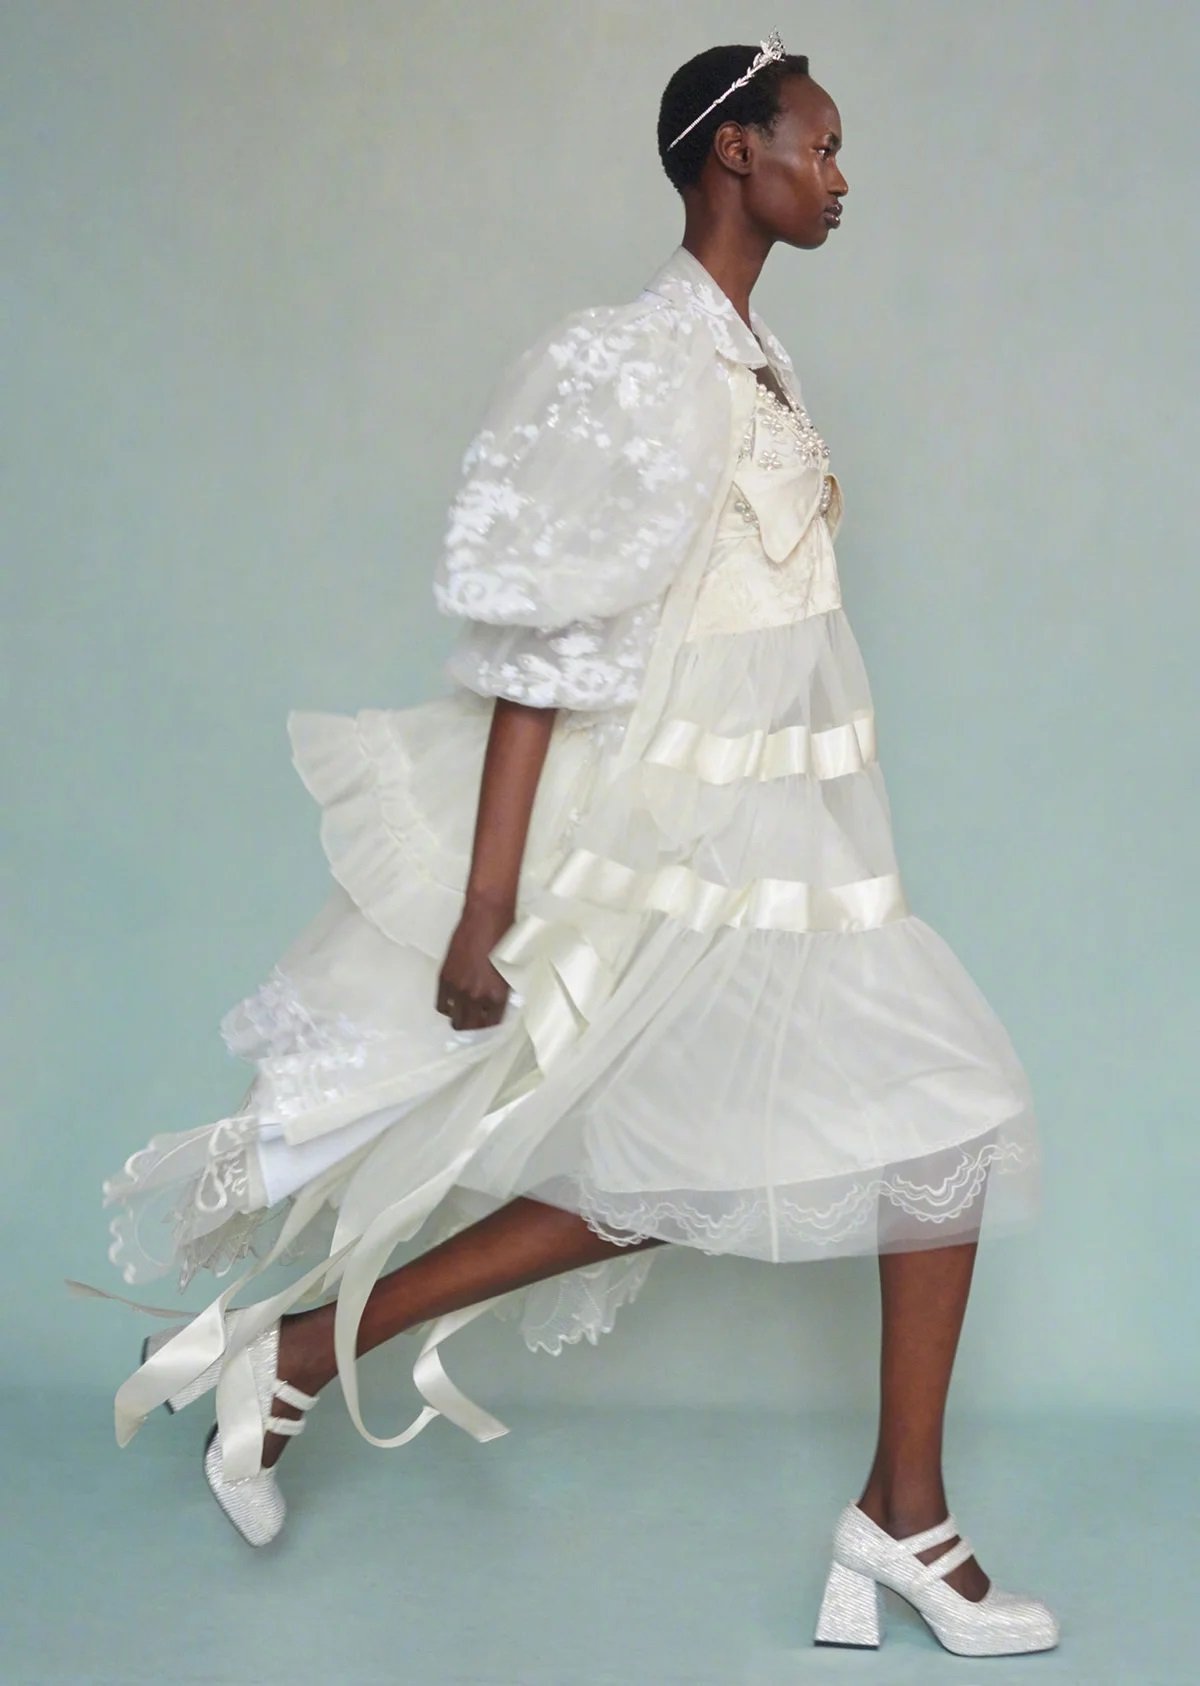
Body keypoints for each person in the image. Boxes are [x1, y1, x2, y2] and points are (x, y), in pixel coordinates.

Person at [67, 34, 1059, 1658]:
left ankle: (309, 1354)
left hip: (792, 856)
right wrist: (485, 906)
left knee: (724, 1163)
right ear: (734, 151)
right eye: (820, 143)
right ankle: (902, 1520)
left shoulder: (761, 360)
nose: (842, 175)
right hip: (678, 851)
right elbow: (542, 653)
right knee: (889, 1129)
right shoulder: (635, 361)